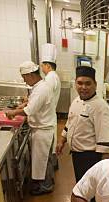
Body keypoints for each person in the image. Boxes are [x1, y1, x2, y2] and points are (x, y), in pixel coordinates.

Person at [57, 66, 109, 202]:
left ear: (95, 85)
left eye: (87, 83)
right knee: (83, 188)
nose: (83, 87)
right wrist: (62, 140)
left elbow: (105, 138)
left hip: (91, 157)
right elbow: (69, 124)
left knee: (92, 192)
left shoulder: (100, 107)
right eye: (80, 83)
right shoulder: (76, 101)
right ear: (75, 83)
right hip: (77, 155)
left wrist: (105, 167)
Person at [6, 61, 55, 195]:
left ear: (31, 75)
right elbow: (34, 101)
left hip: (42, 130)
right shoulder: (40, 86)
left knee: (43, 160)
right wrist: (24, 104)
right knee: (45, 160)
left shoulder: (41, 88)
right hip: (44, 128)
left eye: (24, 77)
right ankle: (46, 182)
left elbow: (30, 110)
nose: (24, 80)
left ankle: (46, 186)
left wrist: (13, 112)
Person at [40, 43, 61, 171]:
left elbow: (43, 98)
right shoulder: (53, 77)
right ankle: (54, 163)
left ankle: (50, 170)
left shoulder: (50, 78)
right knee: (50, 144)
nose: (41, 67)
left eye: (42, 65)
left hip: (48, 116)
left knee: (48, 146)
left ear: (48, 65)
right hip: (51, 115)